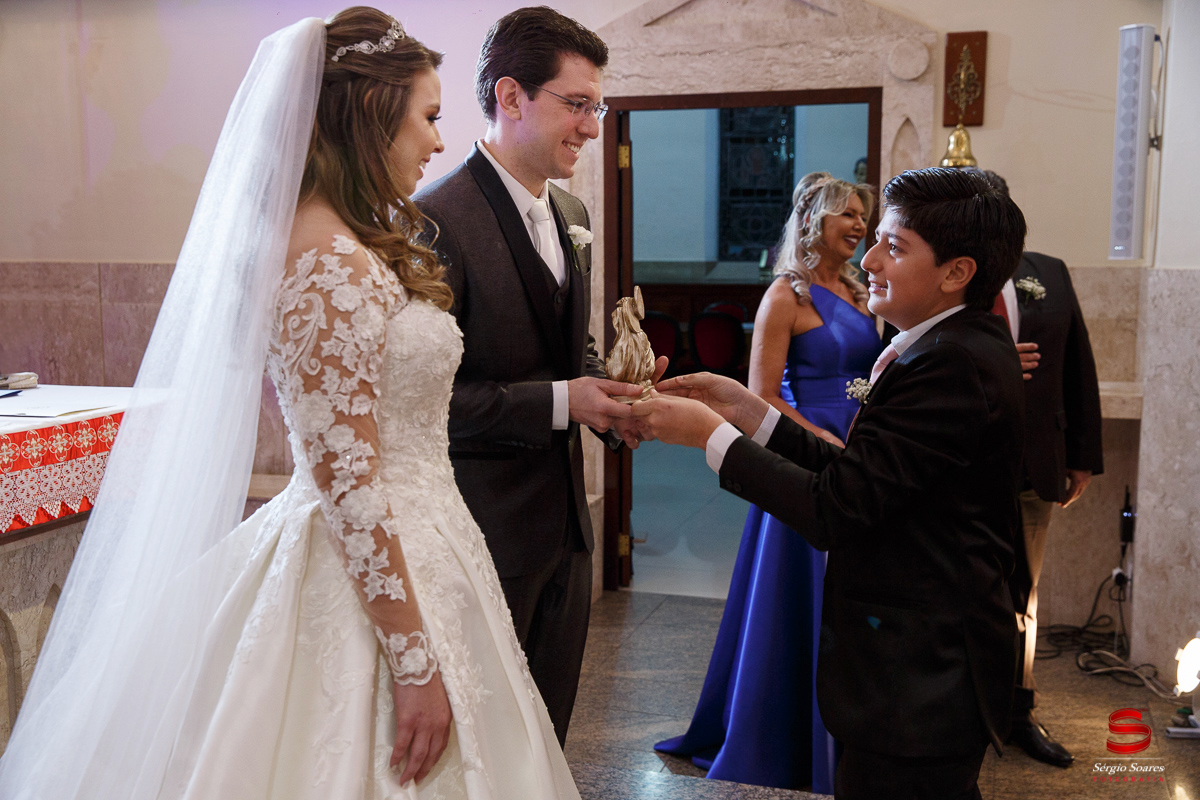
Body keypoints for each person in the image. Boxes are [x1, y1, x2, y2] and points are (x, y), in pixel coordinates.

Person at [0, 10, 620, 798]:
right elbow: (348, 481)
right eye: (428, 117)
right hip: (365, 559)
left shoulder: (351, 242)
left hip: (431, 540)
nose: (437, 141)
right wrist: (413, 664)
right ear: (370, 116)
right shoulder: (325, 259)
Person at [633, 167, 1026, 799]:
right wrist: (747, 411)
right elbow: (861, 474)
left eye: (894, 246)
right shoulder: (952, 342)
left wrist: (709, 436)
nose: (869, 258)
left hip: (922, 678)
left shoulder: (949, 363)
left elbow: (835, 507)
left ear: (956, 272)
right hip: (920, 672)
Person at [415, 7, 651, 746]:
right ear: (512, 96)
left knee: (546, 740)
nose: (591, 127)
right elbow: (424, 405)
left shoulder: (573, 210)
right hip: (481, 530)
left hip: (568, 535)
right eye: (577, 104)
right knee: (484, 748)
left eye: (596, 107)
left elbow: (571, 347)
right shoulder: (433, 221)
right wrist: (561, 401)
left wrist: (613, 397)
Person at [654, 173, 881, 792]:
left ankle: (845, 729)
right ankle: (777, 733)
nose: (860, 225)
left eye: (862, 215)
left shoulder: (860, 291)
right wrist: (823, 439)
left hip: (861, 448)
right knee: (796, 600)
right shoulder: (786, 296)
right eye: (848, 215)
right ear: (813, 222)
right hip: (805, 451)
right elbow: (760, 397)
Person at [972, 168, 1104, 768]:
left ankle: (1018, 710)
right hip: (964, 462)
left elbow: (1077, 363)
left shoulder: (1048, 272)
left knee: (1024, 593)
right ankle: (965, 707)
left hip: (1035, 461)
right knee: (969, 589)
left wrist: (1082, 457)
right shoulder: (950, 275)